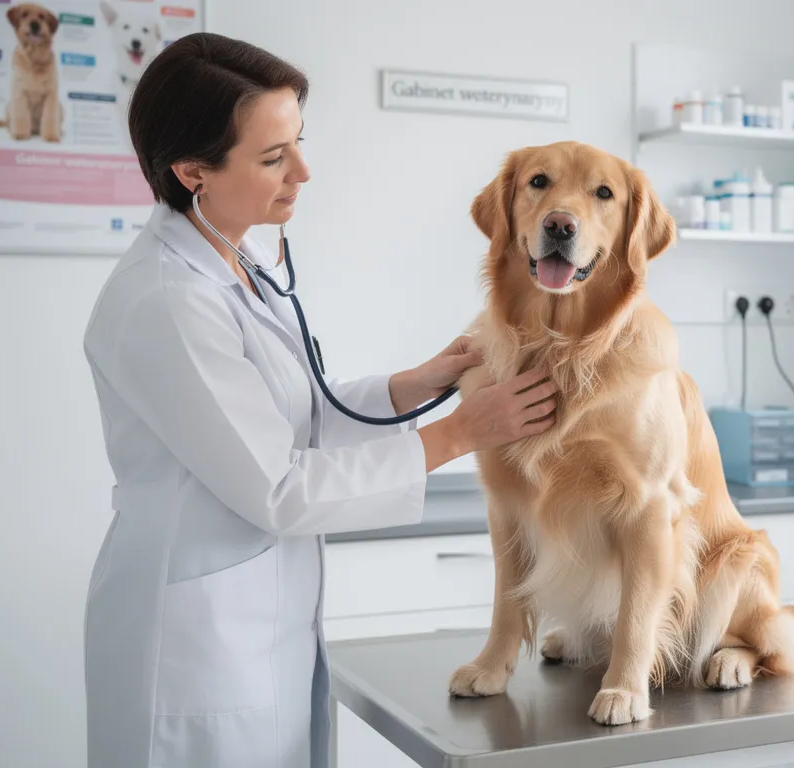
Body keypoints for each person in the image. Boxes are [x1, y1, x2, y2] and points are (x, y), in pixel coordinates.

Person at [80, 32, 555, 768]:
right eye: (274, 158)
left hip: (257, 622)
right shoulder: (168, 301)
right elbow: (278, 485)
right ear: (192, 171)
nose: (303, 171)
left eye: (298, 143)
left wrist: (417, 383)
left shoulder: (234, 267)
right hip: (196, 645)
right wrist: (459, 434)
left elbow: (289, 415)